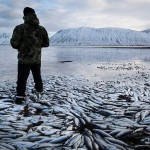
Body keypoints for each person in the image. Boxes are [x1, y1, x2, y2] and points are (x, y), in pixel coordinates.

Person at [10, 7, 49, 104]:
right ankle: (39, 90)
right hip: (37, 58)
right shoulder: (42, 29)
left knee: (22, 78)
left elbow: (15, 44)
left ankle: (20, 97)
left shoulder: (20, 28)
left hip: (24, 59)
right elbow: (46, 43)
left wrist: (20, 44)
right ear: (34, 14)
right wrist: (36, 47)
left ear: (24, 15)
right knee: (37, 75)